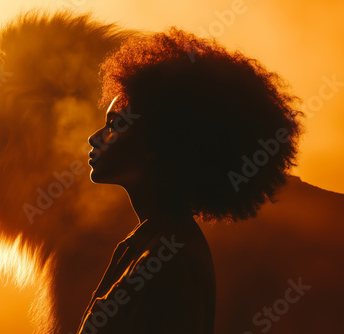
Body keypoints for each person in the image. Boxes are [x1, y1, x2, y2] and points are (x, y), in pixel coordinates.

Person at [77, 28, 303, 333]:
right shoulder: (148, 243)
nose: (94, 138)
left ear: (158, 141)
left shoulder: (172, 263)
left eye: (115, 124)